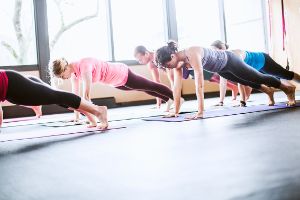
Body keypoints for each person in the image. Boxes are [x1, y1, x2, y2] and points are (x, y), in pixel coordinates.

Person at [155, 41, 296, 119]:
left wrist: (200, 112)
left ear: (172, 56)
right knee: (246, 81)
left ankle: (287, 88)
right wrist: (176, 112)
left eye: (167, 64)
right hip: (221, 69)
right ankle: (268, 91)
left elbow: (199, 84)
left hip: (229, 60)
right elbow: (176, 87)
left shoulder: (192, 52)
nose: (169, 68)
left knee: (256, 76)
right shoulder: (177, 65)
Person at [51, 57, 175, 121]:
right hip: (114, 82)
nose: (64, 78)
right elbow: (75, 97)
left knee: (149, 85)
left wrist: (92, 117)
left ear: (65, 68)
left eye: (62, 76)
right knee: (143, 87)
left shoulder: (83, 65)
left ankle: (176, 98)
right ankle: (168, 100)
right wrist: (77, 117)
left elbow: (86, 96)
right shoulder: (74, 75)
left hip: (120, 73)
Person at [0, 70, 108, 129]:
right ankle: (91, 116)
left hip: (15, 85)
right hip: (14, 86)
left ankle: (98, 111)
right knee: (57, 98)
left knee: (58, 96)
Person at [211, 40, 300, 105]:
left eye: (216, 51)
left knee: (284, 74)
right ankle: (270, 93)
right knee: (258, 81)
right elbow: (223, 82)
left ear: (222, 49)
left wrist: (243, 99)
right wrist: (221, 101)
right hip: (255, 69)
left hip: (263, 61)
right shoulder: (222, 63)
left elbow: (241, 76)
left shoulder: (234, 53)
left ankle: (289, 91)